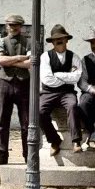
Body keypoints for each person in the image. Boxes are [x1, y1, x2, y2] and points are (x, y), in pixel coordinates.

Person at [37, 25, 84, 157]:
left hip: (67, 93)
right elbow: (47, 79)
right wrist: (66, 76)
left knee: (73, 106)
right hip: (48, 93)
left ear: (66, 40)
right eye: (56, 39)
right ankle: (54, 140)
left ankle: (76, 141)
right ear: (52, 42)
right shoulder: (45, 57)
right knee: (39, 111)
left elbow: (76, 77)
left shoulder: (74, 57)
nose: (59, 41)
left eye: (61, 39)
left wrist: (57, 74)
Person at [0, 14, 32, 165]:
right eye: (10, 25)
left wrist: (12, 61)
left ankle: (28, 155)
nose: (13, 27)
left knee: (26, 122)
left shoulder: (28, 42)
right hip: (5, 83)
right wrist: (20, 58)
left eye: (16, 25)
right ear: (6, 26)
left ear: (21, 27)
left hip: (23, 83)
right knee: (3, 121)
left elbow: (30, 64)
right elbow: (0, 60)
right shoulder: (1, 41)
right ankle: (2, 155)